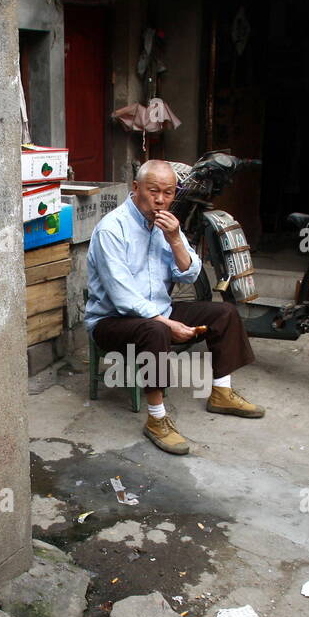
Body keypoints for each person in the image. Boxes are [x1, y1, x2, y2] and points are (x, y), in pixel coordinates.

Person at [86, 160, 264, 455]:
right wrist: (170, 325)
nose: (160, 199)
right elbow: (122, 297)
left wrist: (175, 240)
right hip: (111, 321)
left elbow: (191, 273)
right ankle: (156, 419)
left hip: (158, 312)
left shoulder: (167, 224)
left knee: (224, 312)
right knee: (154, 329)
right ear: (135, 188)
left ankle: (220, 391)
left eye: (168, 193)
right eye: (153, 191)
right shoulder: (112, 229)